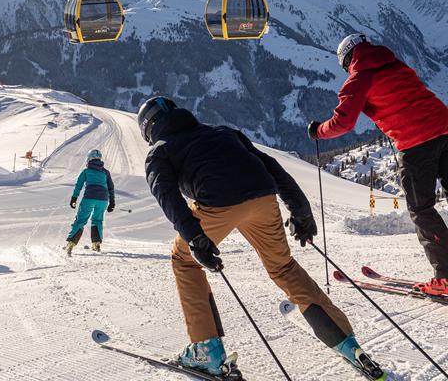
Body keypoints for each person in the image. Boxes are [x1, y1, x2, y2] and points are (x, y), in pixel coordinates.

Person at [138, 96, 387, 380]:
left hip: (216, 203)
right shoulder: (223, 132)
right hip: (262, 198)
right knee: (283, 267)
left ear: (148, 128)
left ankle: (206, 349)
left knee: (184, 261)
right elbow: (272, 168)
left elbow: (167, 196)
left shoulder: (159, 151)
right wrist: (300, 212)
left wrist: (195, 238)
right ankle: (346, 343)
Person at [308, 34, 448, 294]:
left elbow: (344, 122)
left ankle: (445, 277)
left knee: (421, 208)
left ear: (347, 60)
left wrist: (319, 131)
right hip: (445, 127)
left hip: (416, 142)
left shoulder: (360, 78)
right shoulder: (396, 64)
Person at [65, 149, 115, 256]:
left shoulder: (86, 171)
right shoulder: (106, 172)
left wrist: (74, 198)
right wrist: (112, 202)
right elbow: (111, 187)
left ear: (89, 159)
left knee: (81, 220)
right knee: (97, 220)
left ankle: (71, 243)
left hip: (90, 197)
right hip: (103, 199)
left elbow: (79, 185)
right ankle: (96, 243)